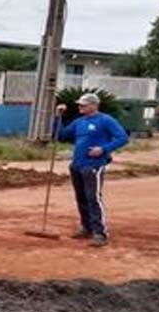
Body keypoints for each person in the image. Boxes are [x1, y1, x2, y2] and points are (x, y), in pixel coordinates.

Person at [55, 93, 129, 248]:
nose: (80, 107)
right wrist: (58, 118)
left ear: (94, 105)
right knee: (81, 197)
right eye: (80, 105)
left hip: (93, 165)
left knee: (93, 198)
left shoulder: (105, 120)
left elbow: (122, 137)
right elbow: (61, 136)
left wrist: (103, 149)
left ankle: (99, 233)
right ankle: (87, 227)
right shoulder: (79, 122)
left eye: (83, 105)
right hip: (77, 164)